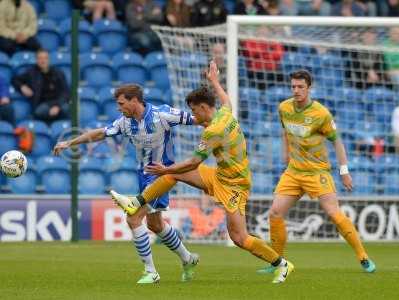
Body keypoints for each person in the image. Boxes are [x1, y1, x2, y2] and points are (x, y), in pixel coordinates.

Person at [110, 61, 294, 284]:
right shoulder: (225, 112)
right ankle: (137, 202)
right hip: (218, 176)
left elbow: (193, 163)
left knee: (239, 237)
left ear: (204, 108)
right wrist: (215, 81)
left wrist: (165, 168)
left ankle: (281, 264)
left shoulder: (213, 131)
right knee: (171, 175)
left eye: (194, 110)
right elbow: (225, 98)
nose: (194, 115)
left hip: (234, 185)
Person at [53, 84, 199, 284]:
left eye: (121, 103)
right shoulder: (124, 122)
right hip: (143, 175)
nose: (119, 108)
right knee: (155, 225)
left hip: (162, 175)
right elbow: (99, 133)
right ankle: (188, 259)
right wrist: (70, 143)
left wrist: (215, 136)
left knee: (133, 218)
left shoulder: (162, 114)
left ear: (134, 100)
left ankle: (151, 272)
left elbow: (198, 119)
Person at [257, 69, 376, 274]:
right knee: (275, 212)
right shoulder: (283, 107)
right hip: (294, 171)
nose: (296, 90)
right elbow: (285, 131)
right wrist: (286, 154)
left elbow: (337, 141)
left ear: (309, 88)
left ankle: (362, 256)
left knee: (333, 213)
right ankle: (277, 262)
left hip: (317, 172)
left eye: (300, 87)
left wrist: (344, 171)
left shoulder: (321, 114)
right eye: (293, 86)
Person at [11, 49, 69, 123]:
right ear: (36, 60)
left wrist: (57, 106)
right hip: (42, 104)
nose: (43, 61)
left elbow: (65, 92)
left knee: (67, 109)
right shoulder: (31, 72)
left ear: (49, 60)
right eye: (40, 58)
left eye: (45, 58)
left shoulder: (58, 73)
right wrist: (22, 87)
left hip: (58, 103)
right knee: (39, 111)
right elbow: (14, 79)